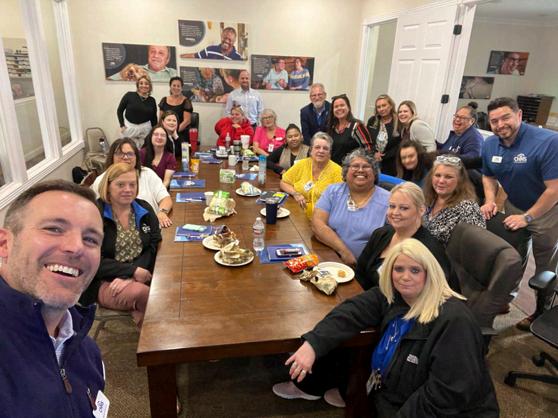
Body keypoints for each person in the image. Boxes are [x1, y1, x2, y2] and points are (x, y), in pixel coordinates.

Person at [273, 239, 499, 417]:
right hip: (392, 398)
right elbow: (350, 311)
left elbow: (445, 396)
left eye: (415, 270)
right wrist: (313, 344)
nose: (405, 277)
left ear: (430, 273)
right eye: (398, 269)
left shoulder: (455, 322)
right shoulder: (395, 296)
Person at [0, 180, 106, 417]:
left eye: (91, 239)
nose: (76, 247)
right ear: (4, 244)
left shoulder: (88, 353)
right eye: (54, 229)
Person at [480, 97, 558, 330]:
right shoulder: (490, 144)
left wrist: (527, 218)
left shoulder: (548, 142)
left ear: (520, 115)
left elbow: (554, 189)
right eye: (494, 120)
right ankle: (506, 298)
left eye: (505, 117)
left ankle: (541, 311)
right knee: (513, 256)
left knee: (544, 264)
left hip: (548, 211)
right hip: (514, 206)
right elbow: (488, 175)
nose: (500, 124)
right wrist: (490, 200)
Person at [81, 163, 161, 328]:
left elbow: (153, 245)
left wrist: (133, 274)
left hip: (141, 272)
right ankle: (154, 335)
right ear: (108, 186)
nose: (128, 189)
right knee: (146, 295)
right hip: (103, 281)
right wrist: (130, 272)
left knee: (169, 290)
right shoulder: (93, 214)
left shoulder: (144, 208)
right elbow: (90, 259)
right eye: (121, 185)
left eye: (132, 184)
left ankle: (143, 323)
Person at [355, 182, 450, 291]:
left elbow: (437, 293)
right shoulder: (380, 234)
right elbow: (360, 272)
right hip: (367, 296)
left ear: (421, 210)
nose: (395, 212)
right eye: (392, 206)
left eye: (404, 208)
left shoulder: (429, 250)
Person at [312, 149, 389, 266]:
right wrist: (344, 252)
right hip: (330, 258)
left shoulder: (389, 200)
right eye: (355, 166)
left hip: (367, 268)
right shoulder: (332, 191)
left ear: (374, 173)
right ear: (346, 171)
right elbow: (317, 224)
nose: (360, 170)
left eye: (366, 166)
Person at [91, 138, 173, 228]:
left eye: (130, 154)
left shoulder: (147, 174)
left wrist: (162, 212)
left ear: (136, 157)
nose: (125, 157)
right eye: (120, 153)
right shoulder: (101, 181)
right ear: (112, 157)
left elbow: (165, 198)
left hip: (151, 228)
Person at [423, 155, 485, 245]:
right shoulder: (429, 199)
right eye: (437, 175)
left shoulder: (468, 208)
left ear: (460, 181)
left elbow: (476, 245)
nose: (441, 181)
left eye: (448, 177)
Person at [280, 132, 342, 219]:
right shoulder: (302, 164)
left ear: (329, 153)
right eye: (317, 147)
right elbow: (283, 182)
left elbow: (340, 202)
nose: (321, 151)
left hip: (323, 219)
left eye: (325, 148)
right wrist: (295, 193)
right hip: (297, 216)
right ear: (311, 150)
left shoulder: (337, 171)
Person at [327, 94, 373, 165]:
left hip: (351, 168)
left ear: (348, 107)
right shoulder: (332, 127)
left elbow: (368, 149)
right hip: (334, 168)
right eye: (336, 107)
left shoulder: (357, 126)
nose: (339, 108)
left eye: (342, 105)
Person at [117, 75, 157, 148]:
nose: (144, 85)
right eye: (141, 83)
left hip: (145, 129)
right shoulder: (129, 95)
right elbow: (120, 110)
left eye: (146, 83)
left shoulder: (152, 100)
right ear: (137, 85)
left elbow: (154, 117)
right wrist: (122, 125)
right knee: (128, 148)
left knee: (144, 150)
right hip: (129, 127)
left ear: (150, 86)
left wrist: (155, 130)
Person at [366, 94, 400, 176]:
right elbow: (367, 140)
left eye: (384, 105)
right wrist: (374, 153)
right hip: (373, 161)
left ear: (391, 106)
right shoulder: (372, 121)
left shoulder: (398, 121)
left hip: (391, 163)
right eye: (378, 107)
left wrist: (383, 156)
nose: (381, 109)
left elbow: (399, 144)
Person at [110, 45, 178, 82]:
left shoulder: (175, 74)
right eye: (153, 52)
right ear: (148, 54)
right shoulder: (134, 68)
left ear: (167, 59)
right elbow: (109, 80)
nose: (156, 55)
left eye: (161, 53)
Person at [158, 76, 193, 148]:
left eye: (178, 86)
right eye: (174, 85)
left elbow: (187, 121)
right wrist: (164, 132)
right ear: (170, 86)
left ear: (181, 88)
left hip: (180, 134)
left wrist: (173, 132)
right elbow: (161, 119)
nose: (176, 88)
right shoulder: (164, 100)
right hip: (165, 133)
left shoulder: (186, 101)